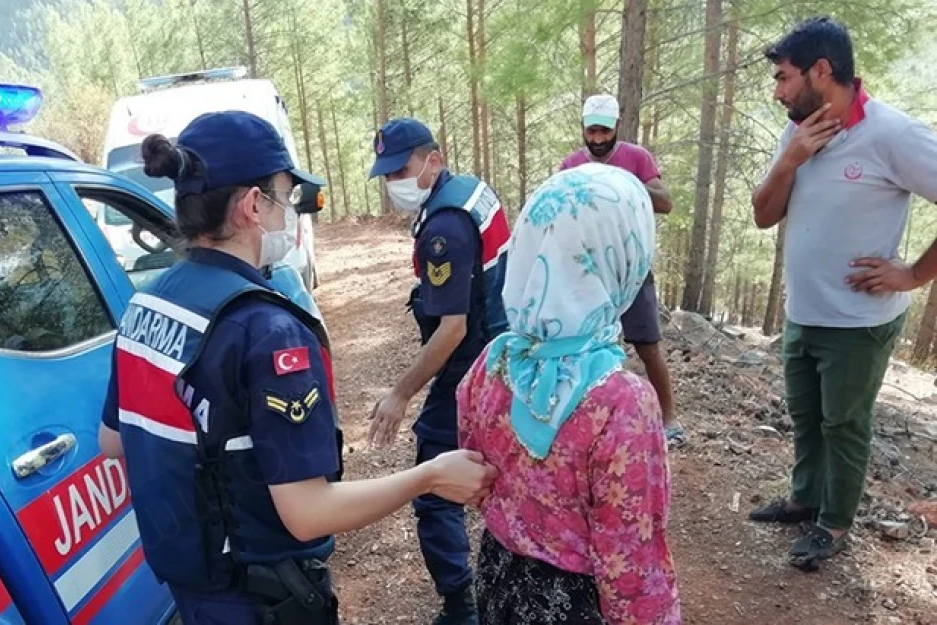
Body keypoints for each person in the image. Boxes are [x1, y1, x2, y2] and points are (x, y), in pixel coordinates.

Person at [95, 110, 497, 625]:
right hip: (264, 599)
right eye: (286, 196)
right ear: (253, 205)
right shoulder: (266, 330)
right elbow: (308, 513)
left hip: (191, 585)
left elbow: (113, 438)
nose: (291, 212)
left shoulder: (146, 305)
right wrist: (427, 476)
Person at [748, 16, 937, 571]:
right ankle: (803, 499)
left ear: (822, 70)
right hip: (804, 312)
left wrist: (914, 274)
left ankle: (833, 523)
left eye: (784, 77)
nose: (778, 91)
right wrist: (790, 159)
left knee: (844, 425)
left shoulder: (892, 134)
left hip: (859, 322)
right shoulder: (797, 131)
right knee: (806, 418)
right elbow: (763, 216)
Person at [458, 162, 681, 624]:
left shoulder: (495, 361)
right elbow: (632, 566)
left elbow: (474, 476)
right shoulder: (623, 403)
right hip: (573, 605)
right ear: (624, 258)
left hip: (500, 579)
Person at [366, 117, 511, 625]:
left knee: (433, 479)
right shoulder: (472, 192)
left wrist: (401, 393)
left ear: (434, 158)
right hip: (504, 346)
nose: (392, 185)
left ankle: (461, 604)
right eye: (385, 175)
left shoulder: (444, 229)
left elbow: (450, 329)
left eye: (399, 170)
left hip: (471, 361)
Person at [559, 94, 683, 448]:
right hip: (588, 271)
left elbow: (665, 201)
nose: (597, 139)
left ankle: (668, 419)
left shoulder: (636, 158)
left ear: (616, 128)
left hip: (631, 268)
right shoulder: (570, 164)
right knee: (585, 346)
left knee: (647, 346)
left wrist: (620, 183)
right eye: (591, 131)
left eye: (604, 131)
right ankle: (588, 419)